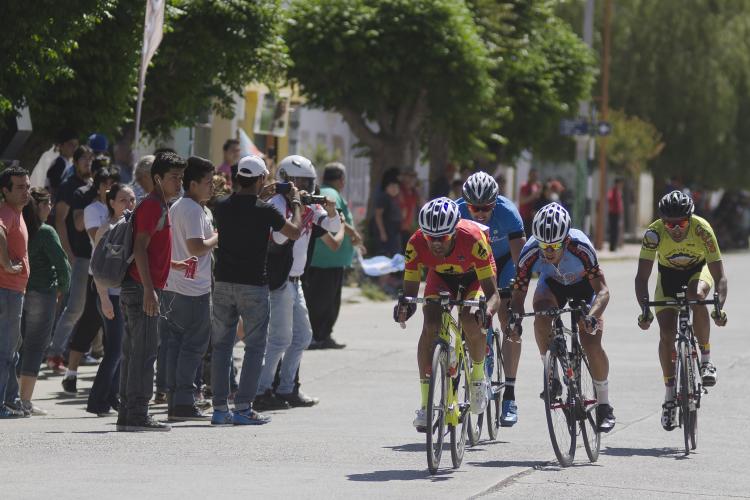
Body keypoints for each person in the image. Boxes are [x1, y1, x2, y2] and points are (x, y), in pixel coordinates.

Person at [507, 202, 616, 433]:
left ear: (565, 241)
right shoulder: (530, 251)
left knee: (591, 343)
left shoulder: (581, 247)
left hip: (584, 287)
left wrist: (592, 316)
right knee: (541, 316)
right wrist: (514, 320)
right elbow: (518, 294)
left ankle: (604, 405)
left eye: (554, 246)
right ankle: (552, 376)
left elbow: (603, 291)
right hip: (552, 286)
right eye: (543, 245)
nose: (548, 251)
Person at [210, 155, 302, 426]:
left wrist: (260, 192)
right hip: (253, 285)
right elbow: (294, 232)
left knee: (222, 347)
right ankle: (243, 408)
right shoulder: (266, 210)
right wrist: (296, 202)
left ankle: (219, 409)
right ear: (261, 178)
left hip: (223, 283)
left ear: (238, 177)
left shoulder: (221, 205)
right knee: (254, 347)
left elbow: (240, 204)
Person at [394, 197, 501, 430]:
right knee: (430, 325)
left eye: (442, 238)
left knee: (469, 318)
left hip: (475, 276)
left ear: (454, 232)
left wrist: (487, 313)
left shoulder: (473, 239)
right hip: (440, 277)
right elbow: (410, 294)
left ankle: (478, 379)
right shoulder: (415, 243)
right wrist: (405, 308)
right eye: (430, 237)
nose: (435, 244)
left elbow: (494, 295)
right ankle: (425, 405)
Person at [634, 190, 727, 431]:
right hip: (668, 278)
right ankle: (669, 397)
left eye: (682, 224)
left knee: (696, 296)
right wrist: (645, 310)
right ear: (662, 221)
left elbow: (720, 276)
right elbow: (642, 277)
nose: (675, 229)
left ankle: (705, 361)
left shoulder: (702, 229)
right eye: (670, 224)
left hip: (698, 271)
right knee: (666, 334)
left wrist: (718, 306)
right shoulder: (654, 233)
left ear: (690, 219)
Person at [254, 155, 341, 411]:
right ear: (285, 180)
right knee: (279, 339)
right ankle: (261, 391)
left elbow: (333, 225)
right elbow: (280, 239)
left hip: (296, 280)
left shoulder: (308, 205)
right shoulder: (278, 203)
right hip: (280, 279)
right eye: (297, 182)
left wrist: (331, 209)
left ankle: (286, 388)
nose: (302, 188)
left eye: (306, 182)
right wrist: (297, 208)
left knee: (302, 336)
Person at [117, 151, 188, 432]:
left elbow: (151, 249)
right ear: (157, 178)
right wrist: (149, 289)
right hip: (141, 289)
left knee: (134, 353)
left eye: (181, 177)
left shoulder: (159, 205)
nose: (179, 183)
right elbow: (139, 248)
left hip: (139, 287)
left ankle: (128, 414)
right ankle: (137, 414)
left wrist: (173, 265)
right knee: (144, 355)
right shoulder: (152, 206)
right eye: (174, 177)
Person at [457, 172, 526, 426]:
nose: (480, 213)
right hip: (475, 264)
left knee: (508, 319)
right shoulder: (456, 211)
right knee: (467, 313)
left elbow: (521, 262)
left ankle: (510, 395)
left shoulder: (509, 213)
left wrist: (515, 295)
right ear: (466, 204)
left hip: (504, 262)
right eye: (474, 208)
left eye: (486, 208)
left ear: (495, 203)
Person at [161, 157, 218, 422]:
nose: (212, 187)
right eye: (208, 182)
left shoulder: (178, 206)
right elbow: (196, 247)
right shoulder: (193, 210)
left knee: (175, 346)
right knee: (193, 347)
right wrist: (218, 237)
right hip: (192, 290)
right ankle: (183, 401)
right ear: (192, 184)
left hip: (175, 285)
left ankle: (175, 400)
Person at [61, 167, 119, 394]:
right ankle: (71, 373)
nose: (109, 188)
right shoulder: (93, 209)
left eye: (113, 184)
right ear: (98, 186)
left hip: (119, 276)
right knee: (89, 323)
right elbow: (97, 236)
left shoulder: (123, 209)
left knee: (114, 332)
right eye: (106, 184)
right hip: (99, 274)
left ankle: (111, 382)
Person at [19, 188, 70, 415]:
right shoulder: (45, 231)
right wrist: (62, 288)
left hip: (19, 291)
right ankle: (25, 400)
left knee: (17, 346)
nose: (50, 207)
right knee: (35, 346)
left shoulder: (19, 227)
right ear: (38, 206)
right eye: (48, 203)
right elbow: (62, 265)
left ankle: (12, 397)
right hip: (43, 293)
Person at [305, 163, 364, 350]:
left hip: (321, 259)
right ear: (341, 180)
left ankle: (319, 335)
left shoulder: (323, 192)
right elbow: (337, 219)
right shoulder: (331, 194)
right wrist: (353, 233)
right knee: (326, 302)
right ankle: (320, 336)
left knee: (318, 300)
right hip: (328, 260)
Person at [88, 183, 136, 416]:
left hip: (127, 295)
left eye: (132, 199)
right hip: (111, 297)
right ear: (112, 203)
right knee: (114, 350)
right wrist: (104, 299)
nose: (129, 204)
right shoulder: (106, 228)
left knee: (125, 350)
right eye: (123, 200)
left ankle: (112, 396)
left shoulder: (133, 225)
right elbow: (97, 268)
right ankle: (96, 401)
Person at [45, 145, 93, 373]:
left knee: (80, 309)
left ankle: (67, 352)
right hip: (77, 256)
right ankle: (54, 353)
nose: (88, 162)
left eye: (91, 159)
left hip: (91, 256)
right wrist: (67, 252)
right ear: (75, 161)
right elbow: (60, 220)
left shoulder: (91, 186)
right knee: (72, 308)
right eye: (84, 159)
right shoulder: (68, 186)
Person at [0, 167, 31, 418]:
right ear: (5, 191)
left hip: (14, 292)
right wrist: (7, 265)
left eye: (27, 186)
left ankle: (10, 400)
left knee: (11, 351)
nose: (25, 191)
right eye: (19, 187)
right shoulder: (7, 213)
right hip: (7, 292)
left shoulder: (16, 214)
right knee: (5, 352)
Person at [371, 170, 402, 257]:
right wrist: (382, 232)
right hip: (386, 232)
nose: (394, 189)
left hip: (394, 232)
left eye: (396, 187)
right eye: (392, 186)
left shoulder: (395, 198)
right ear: (386, 187)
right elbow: (378, 215)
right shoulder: (384, 198)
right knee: (384, 256)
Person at [45, 129, 79, 199]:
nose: (74, 148)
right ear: (61, 146)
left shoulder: (69, 162)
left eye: (76, 145)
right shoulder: (60, 163)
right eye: (71, 144)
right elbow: (54, 186)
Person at [398, 168, 421, 252]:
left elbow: (420, 204)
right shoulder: (400, 190)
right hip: (399, 227)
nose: (411, 179)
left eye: (413, 177)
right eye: (408, 177)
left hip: (410, 226)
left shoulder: (414, 192)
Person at [519, 168, 542, 238]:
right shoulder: (524, 186)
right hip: (525, 217)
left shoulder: (537, 186)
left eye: (536, 175)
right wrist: (533, 196)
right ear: (529, 175)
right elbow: (522, 201)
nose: (535, 177)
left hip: (534, 217)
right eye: (533, 175)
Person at [608, 177, 624, 252]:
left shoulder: (618, 191)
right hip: (613, 213)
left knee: (616, 230)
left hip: (617, 213)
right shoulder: (613, 191)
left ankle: (614, 246)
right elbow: (610, 198)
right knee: (613, 230)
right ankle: (612, 246)